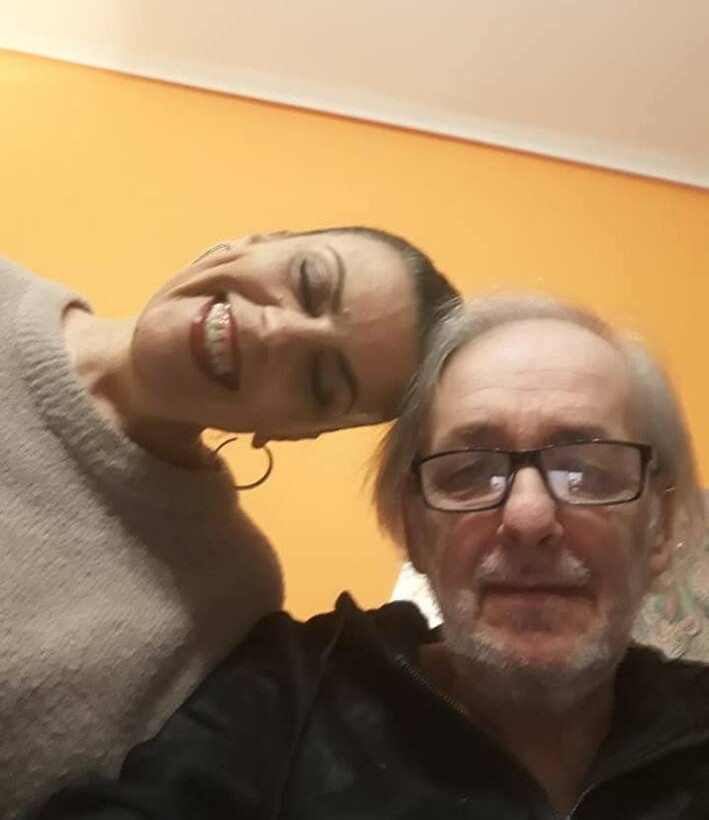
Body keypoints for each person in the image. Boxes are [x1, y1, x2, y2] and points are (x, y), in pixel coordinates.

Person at [24, 292, 709, 819]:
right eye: (470, 471)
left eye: (586, 469)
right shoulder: (290, 694)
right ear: (413, 527)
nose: (528, 518)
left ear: (658, 529)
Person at [0, 226, 459, 818]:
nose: (274, 331)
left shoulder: (227, 594)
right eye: (308, 281)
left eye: (319, 381)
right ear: (256, 241)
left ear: (296, 433)